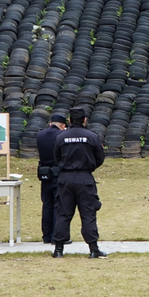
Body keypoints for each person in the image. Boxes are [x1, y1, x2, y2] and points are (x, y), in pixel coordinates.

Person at [50, 108, 106, 257]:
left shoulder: (61, 137)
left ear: (69, 120)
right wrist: (89, 167)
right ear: (84, 120)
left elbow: (57, 158)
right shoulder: (92, 136)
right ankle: (93, 249)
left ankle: (58, 250)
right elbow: (100, 157)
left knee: (63, 214)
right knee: (88, 214)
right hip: (85, 178)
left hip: (65, 179)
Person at [34, 112, 68, 247]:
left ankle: (46, 235)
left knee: (47, 205)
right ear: (63, 126)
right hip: (57, 172)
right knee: (58, 205)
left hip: (44, 173)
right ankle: (56, 236)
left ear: (50, 123)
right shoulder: (61, 135)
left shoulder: (40, 134)